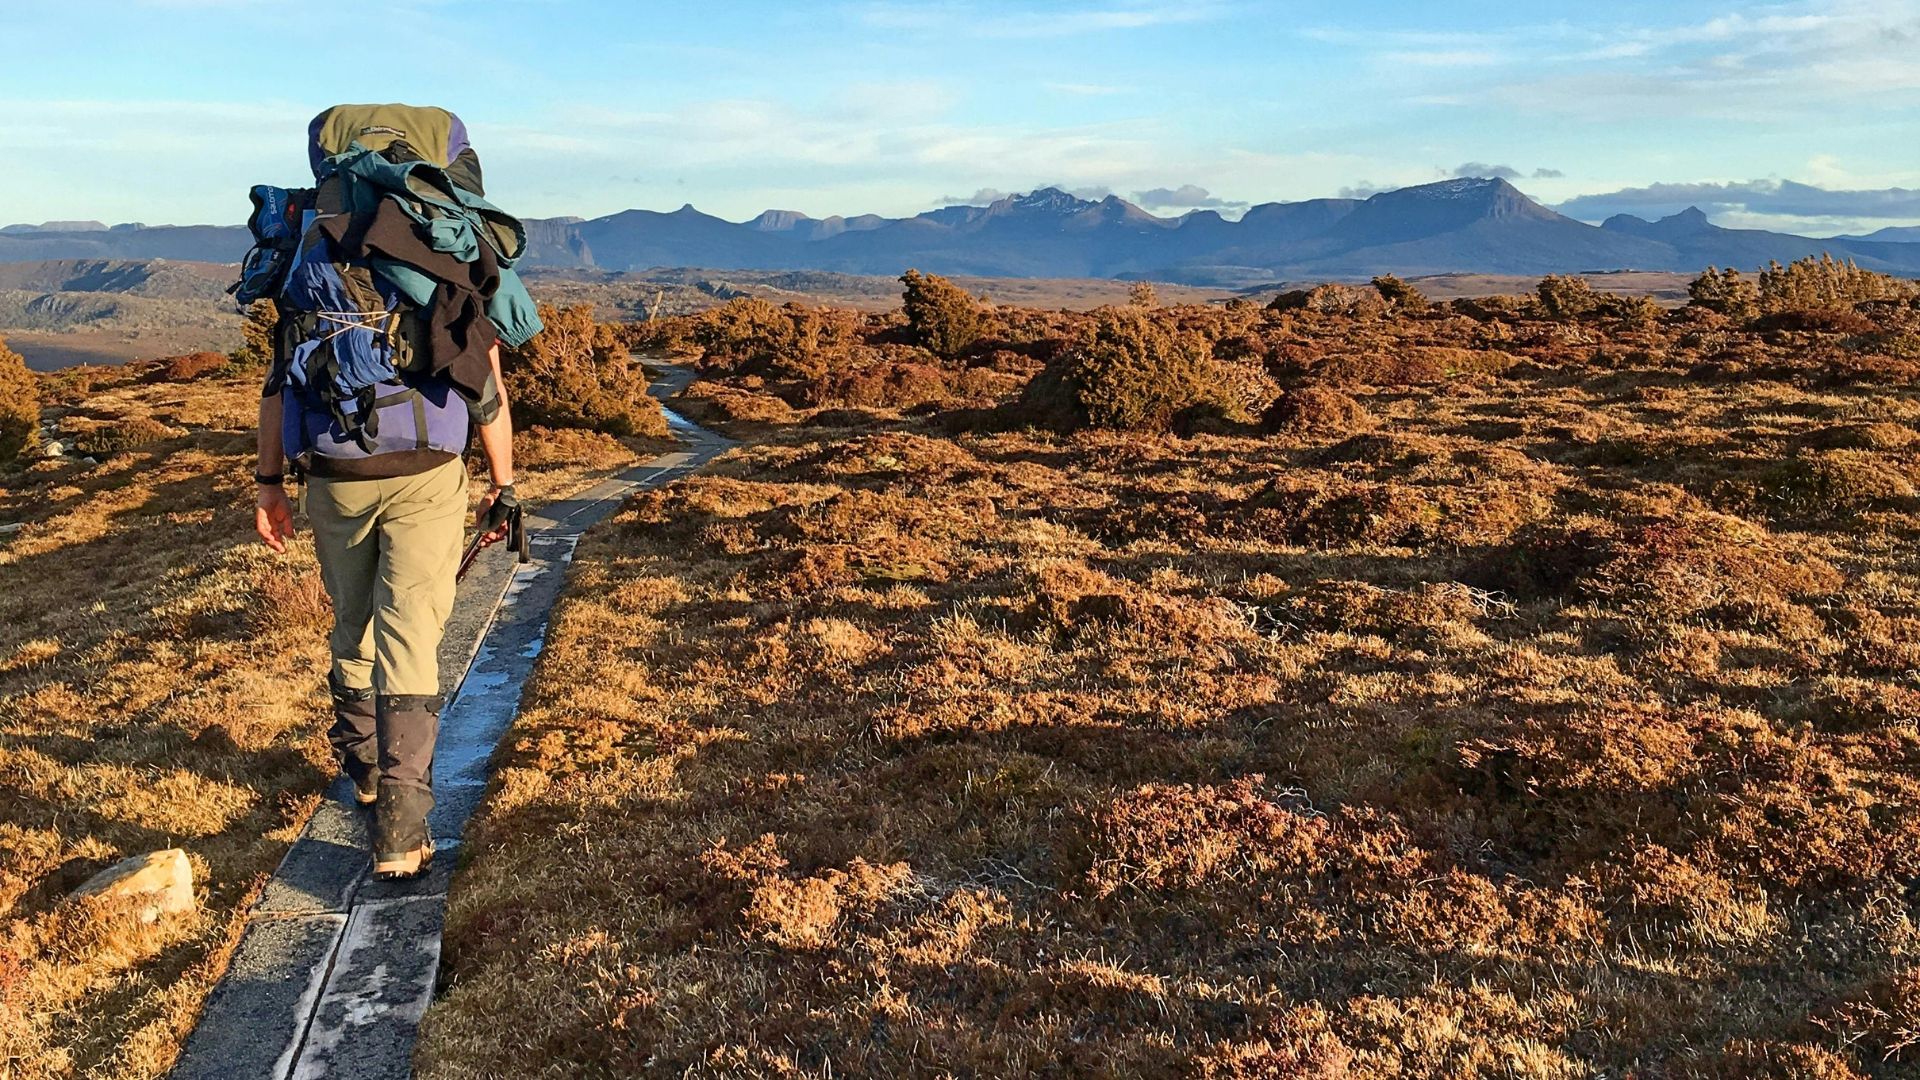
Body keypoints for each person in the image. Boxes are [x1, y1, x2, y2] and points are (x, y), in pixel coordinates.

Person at [254, 342, 516, 878]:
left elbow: (279, 382)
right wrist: (502, 483)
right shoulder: (446, 263)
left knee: (354, 619)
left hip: (334, 472)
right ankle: (400, 828)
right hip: (428, 468)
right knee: (410, 632)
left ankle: (367, 770)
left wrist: (269, 483)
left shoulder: (308, 261)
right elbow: (486, 380)